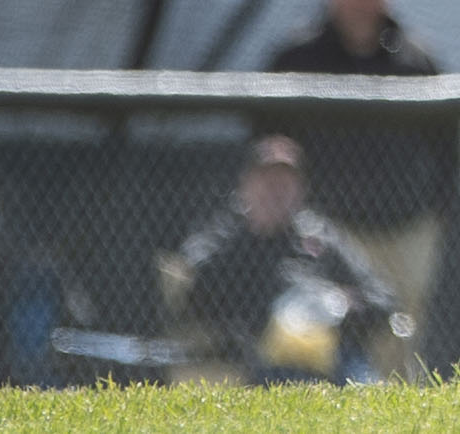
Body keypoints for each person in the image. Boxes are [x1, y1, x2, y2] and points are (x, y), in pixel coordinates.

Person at [264, 0, 458, 365]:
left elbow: (448, 144)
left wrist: (439, 208)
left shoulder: (415, 59)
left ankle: (397, 402)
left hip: (407, 224)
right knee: (327, 329)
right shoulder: (299, 57)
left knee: (401, 331)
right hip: (331, 227)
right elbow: (267, 137)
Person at [162, 135, 403, 384]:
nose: (276, 191)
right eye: (267, 180)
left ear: (302, 189)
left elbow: (383, 299)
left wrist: (338, 303)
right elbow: (190, 289)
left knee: (363, 385)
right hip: (252, 356)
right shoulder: (224, 235)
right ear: (246, 184)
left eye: (286, 182)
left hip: (329, 355)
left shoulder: (319, 235)